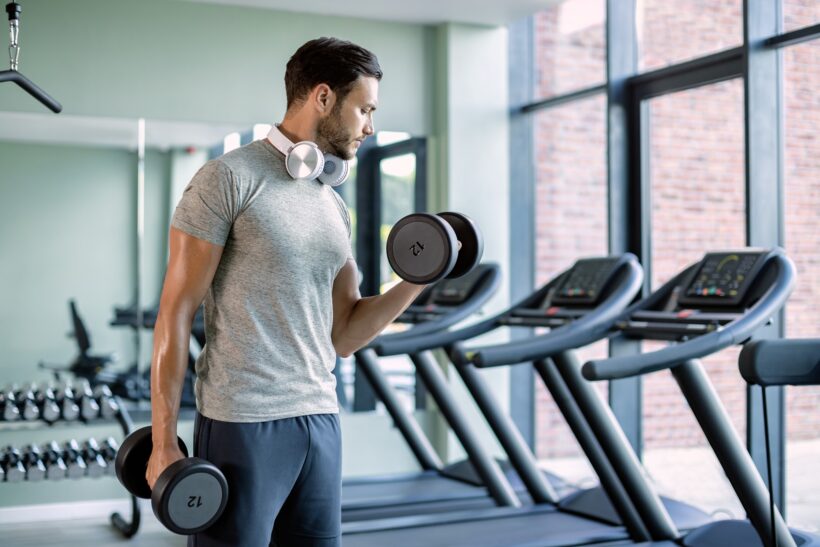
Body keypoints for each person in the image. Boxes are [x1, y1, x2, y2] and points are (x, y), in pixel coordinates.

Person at [145, 37, 426, 547]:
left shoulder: (331, 204)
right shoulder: (227, 179)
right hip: (242, 422)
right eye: (364, 109)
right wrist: (163, 441)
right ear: (323, 97)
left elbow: (344, 334)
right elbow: (175, 314)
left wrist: (417, 279)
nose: (370, 126)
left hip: (320, 420)